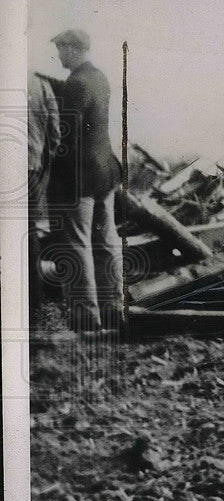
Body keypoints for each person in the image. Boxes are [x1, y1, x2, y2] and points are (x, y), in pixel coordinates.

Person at [47, 29, 123, 332]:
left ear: (73, 49)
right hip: (105, 172)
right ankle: (114, 310)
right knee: (105, 243)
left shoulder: (75, 83)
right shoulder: (99, 77)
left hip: (79, 177)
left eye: (61, 49)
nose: (59, 55)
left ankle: (86, 319)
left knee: (77, 245)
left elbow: (67, 136)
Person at [27, 71, 60, 329]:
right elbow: (55, 132)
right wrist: (42, 163)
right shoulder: (40, 83)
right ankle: (34, 300)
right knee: (28, 232)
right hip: (32, 167)